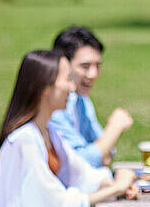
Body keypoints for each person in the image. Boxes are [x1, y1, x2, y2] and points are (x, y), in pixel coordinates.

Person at [0, 50, 138, 207]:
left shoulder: (49, 132)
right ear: (45, 88)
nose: (72, 87)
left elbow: (82, 173)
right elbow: (52, 205)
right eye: (67, 79)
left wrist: (114, 184)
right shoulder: (23, 142)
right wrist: (114, 189)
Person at [50, 27, 133, 168]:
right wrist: (115, 126)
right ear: (63, 65)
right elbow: (83, 162)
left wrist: (101, 150)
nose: (93, 74)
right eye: (85, 66)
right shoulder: (54, 107)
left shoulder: (81, 100)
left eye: (98, 66)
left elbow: (106, 153)